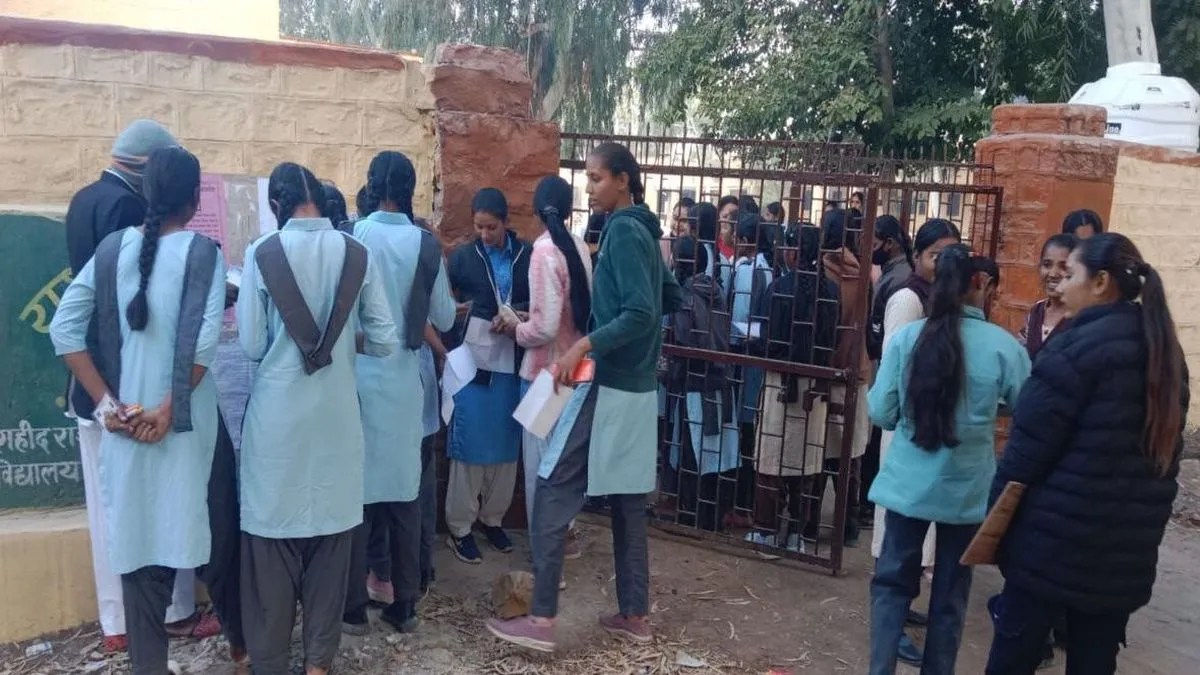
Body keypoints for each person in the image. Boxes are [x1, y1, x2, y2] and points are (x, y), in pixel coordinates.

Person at [486, 141, 682, 652]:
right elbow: (670, 296)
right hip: (637, 386)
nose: (589, 188)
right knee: (628, 502)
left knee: (551, 489)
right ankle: (634, 614)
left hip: (606, 381)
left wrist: (586, 344)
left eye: (596, 178)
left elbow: (641, 312)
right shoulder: (645, 229)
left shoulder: (623, 232)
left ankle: (542, 619)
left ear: (622, 180)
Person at [50, 146, 227, 674]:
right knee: (194, 531)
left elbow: (64, 329)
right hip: (183, 430)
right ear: (194, 199)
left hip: (125, 428)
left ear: (145, 194)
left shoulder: (110, 251)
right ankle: (243, 648)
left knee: (138, 552)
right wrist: (167, 411)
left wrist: (107, 405)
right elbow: (203, 346)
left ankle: (146, 665)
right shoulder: (203, 253)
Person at [985, 233, 1187, 675]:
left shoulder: (1073, 348)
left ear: (1099, 282)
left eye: (1070, 274)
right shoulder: (1165, 350)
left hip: (1051, 546)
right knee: (1094, 661)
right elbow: (1166, 457)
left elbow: (1025, 454)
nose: (1059, 284)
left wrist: (993, 523)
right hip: (1123, 552)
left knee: (1013, 658)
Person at [237, 162, 397, 675]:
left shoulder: (262, 253)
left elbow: (251, 345)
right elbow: (387, 340)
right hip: (336, 420)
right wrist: (344, 344)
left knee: (271, 547)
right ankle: (318, 665)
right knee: (331, 547)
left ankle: (269, 661)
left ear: (276, 205)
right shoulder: (357, 253)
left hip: (276, 423)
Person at [868, 245, 1030, 675]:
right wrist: (985, 410)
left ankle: (880, 668)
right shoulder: (1004, 348)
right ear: (980, 283)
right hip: (966, 491)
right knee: (951, 593)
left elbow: (881, 412)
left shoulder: (907, 339)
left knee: (891, 585)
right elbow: (1027, 406)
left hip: (907, 486)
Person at [341, 151, 456, 636]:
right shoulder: (424, 245)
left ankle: (352, 607)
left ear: (370, 186)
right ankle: (404, 604)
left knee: (358, 495)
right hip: (405, 381)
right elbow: (444, 317)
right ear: (411, 190)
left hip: (358, 379)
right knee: (406, 494)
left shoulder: (351, 236)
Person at [870, 217, 961, 665]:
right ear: (919, 256)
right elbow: (894, 364)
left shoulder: (941, 300)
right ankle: (892, 622)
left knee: (916, 537)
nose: (942, 264)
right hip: (906, 426)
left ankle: (903, 610)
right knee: (896, 538)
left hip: (929, 429)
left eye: (951, 256)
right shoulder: (909, 298)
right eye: (935, 255)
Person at [494, 175, 593, 560]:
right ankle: (564, 537)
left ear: (535, 210)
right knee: (564, 463)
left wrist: (516, 328)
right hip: (576, 368)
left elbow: (545, 327)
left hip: (545, 374)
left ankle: (545, 554)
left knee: (540, 469)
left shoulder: (543, 250)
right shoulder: (579, 247)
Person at [444, 188, 531, 564]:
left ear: (505, 223)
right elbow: (444, 305)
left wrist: (518, 314)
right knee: (469, 446)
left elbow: (539, 304)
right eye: (479, 227)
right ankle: (460, 527)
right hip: (472, 366)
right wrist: (459, 312)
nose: (484, 234)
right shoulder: (464, 258)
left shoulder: (527, 256)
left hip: (513, 362)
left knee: (506, 448)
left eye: (491, 227)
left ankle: (493, 519)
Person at [663, 236, 739, 532]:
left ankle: (692, 517)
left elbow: (684, 339)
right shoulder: (716, 290)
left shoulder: (685, 296)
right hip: (720, 379)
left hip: (695, 380)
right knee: (713, 452)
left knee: (692, 453)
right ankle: (711, 517)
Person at [861, 215, 914, 523]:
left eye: (874, 242)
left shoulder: (898, 278)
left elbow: (881, 329)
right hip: (880, 360)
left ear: (890, 243)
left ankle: (868, 505)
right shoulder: (893, 273)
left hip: (886, 364)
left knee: (877, 434)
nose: (869, 249)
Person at [1019, 234, 1076, 359]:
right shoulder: (1035, 311)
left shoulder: (1079, 317)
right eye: (1047, 264)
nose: (1053, 274)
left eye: (1063, 267)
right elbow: (1021, 355)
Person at [662, 196, 696, 263]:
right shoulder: (661, 242)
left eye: (684, 220)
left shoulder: (697, 247)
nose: (677, 224)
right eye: (675, 218)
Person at [716, 195, 739, 262]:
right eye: (725, 216)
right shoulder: (713, 241)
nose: (728, 221)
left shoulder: (740, 243)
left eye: (733, 217)